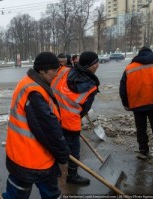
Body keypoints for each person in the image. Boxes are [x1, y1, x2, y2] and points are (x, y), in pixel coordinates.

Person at [2, 52, 70, 199]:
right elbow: (48, 130)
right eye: (54, 70)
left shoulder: (31, 82)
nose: (57, 74)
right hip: (31, 158)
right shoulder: (34, 92)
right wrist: (63, 154)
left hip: (26, 155)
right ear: (42, 70)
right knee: (44, 194)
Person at [51, 51, 100, 186]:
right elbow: (84, 109)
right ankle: (72, 176)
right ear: (92, 65)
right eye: (97, 63)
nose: (98, 65)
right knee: (74, 150)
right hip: (70, 122)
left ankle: (55, 170)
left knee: (55, 144)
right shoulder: (91, 86)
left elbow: (52, 87)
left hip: (53, 115)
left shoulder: (64, 71)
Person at [119, 46, 153, 160]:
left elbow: (122, 88)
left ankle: (143, 151)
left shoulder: (130, 67)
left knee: (141, 128)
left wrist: (126, 104)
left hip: (137, 103)